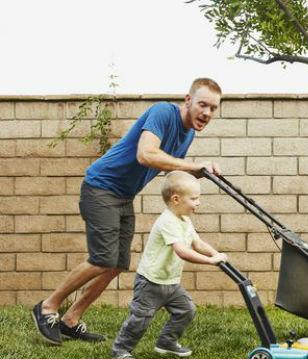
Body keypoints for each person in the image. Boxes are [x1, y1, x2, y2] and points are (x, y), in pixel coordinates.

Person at [32, 78, 222, 345]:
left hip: (123, 195)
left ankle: (71, 320)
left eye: (213, 108)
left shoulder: (187, 133)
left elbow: (168, 168)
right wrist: (192, 165)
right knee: (102, 259)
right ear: (188, 100)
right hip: (101, 187)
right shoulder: (163, 113)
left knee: (117, 264)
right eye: (203, 104)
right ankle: (47, 307)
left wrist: (197, 174)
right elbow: (146, 154)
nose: (207, 113)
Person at [111, 171, 228, 359]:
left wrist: (216, 254)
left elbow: (197, 243)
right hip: (150, 281)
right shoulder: (167, 222)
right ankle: (120, 350)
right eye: (194, 198)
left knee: (186, 310)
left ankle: (166, 342)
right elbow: (182, 251)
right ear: (176, 199)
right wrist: (209, 261)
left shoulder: (184, 220)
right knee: (140, 318)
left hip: (171, 282)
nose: (198, 203)